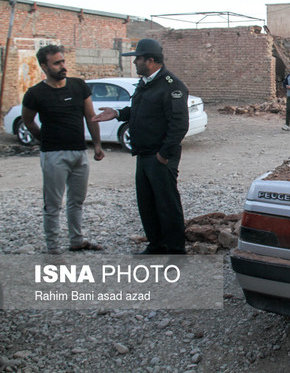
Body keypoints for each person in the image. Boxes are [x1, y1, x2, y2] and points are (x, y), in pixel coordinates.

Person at [93, 39, 189, 254]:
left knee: (166, 203)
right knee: (147, 203)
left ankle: (175, 250)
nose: (135, 62)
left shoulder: (172, 86)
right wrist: (117, 113)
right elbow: (141, 111)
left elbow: (179, 124)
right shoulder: (146, 83)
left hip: (159, 155)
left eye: (138, 58)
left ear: (151, 60)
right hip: (144, 154)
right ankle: (157, 244)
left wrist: (164, 154)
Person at [22, 45, 105, 254]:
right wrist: (45, 139)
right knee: (53, 204)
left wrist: (97, 145)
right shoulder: (35, 93)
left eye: (63, 61)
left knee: (77, 200)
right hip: (53, 155)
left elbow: (90, 116)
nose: (62, 66)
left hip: (79, 152)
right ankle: (53, 248)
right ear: (44, 66)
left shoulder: (78, 86)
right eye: (57, 63)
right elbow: (28, 121)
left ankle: (77, 240)